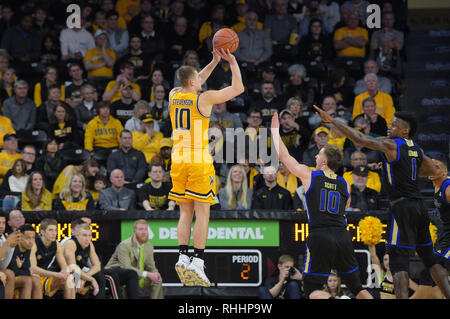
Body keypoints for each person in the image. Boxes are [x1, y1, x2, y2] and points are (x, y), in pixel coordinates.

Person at [313, 106, 450, 299]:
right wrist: (394, 168)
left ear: (405, 131)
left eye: (395, 125)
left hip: (401, 207)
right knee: (431, 260)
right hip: (419, 206)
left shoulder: (392, 144)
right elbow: (431, 170)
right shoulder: (417, 149)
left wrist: (334, 121)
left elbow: (361, 139)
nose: (390, 126)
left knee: (398, 262)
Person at [270, 112, 373, 299]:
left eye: (318, 155)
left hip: (320, 235)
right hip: (343, 236)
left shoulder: (310, 175)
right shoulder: (344, 183)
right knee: (358, 287)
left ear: (325, 161)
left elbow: (285, 157)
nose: (316, 157)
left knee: (311, 291)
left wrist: (274, 132)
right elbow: (346, 204)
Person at [169, 48, 244, 287]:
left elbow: (194, 77)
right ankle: (198, 261)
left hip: (177, 159)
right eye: (199, 79)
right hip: (198, 159)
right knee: (203, 213)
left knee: (185, 212)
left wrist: (213, 62)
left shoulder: (173, 94)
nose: (203, 80)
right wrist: (231, 62)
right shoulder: (204, 98)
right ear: (193, 82)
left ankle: (182, 256)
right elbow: (238, 89)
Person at [105, 219, 163, 298]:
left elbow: (151, 266)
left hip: (136, 275)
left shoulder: (149, 246)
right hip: (118, 275)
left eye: (146, 229)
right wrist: (148, 274)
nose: (144, 232)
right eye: (140, 229)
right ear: (134, 231)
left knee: (157, 281)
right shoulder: (124, 245)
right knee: (131, 278)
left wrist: (155, 274)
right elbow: (126, 267)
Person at [29, 218, 75, 299]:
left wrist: (64, 272)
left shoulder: (56, 244)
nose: (54, 233)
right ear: (42, 232)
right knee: (35, 277)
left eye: (55, 230)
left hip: (45, 276)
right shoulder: (34, 243)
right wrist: (56, 274)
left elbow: (63, 265)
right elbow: (33, 269)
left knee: (69, 279)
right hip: (32, 275)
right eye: (50, 230)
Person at [62, 222, 104, 298]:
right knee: (75, 279)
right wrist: (91, 279)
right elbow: (73, 268)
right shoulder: (70, 244)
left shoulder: (90, 244)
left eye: (89, 235)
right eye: (84, 235)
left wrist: (85, 277)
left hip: (78, 273)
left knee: (100, 275)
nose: (87, 239)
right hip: (62, 272)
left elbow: (97, 266)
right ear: (77, 235)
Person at [8, 224, 42, 299]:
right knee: (27, 280)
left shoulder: (27, 248)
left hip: (16, 277)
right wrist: (22, 268)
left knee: (36, 280)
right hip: (7, 278)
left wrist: (21, 267)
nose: (31, 242)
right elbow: (14, 271)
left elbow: (27, 270)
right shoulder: (13, 247)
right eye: (28, 238)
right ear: (19, 238)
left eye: (33, 238)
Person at [0, 211, 21, 299]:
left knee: (9, 273)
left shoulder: (2, 238)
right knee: (9, 274)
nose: (1, 226)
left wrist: (11, 247)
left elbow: (3, 265)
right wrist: (7, 243)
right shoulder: (5, 240)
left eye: (3, 223)